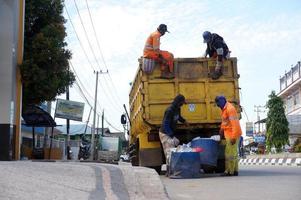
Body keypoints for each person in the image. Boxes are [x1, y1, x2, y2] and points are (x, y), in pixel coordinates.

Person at [159, 94, 189, 176]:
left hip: (170, 133)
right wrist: (171, 136)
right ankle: (169, 171)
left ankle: (171, 170)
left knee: (172, 150)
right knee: (169, 152)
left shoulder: (177, 109)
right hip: (165, 133)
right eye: (182, 103)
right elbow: (166, 124)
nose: (182, 104)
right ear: (178, 102)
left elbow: (178, 117)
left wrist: (184, 121)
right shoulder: (170, 110)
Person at [215, 95, 242, 176]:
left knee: (230, 154)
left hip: (232, 135)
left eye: (218, 104)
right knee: (231, 153)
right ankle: (234, 171)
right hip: (229, 134)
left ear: (221, 101)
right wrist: (221, 131)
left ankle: (230, 171)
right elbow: (225, 122)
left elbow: (235, 124)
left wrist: (233, 137)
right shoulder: (224, 109)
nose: (218, 106)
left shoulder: (230, 109)